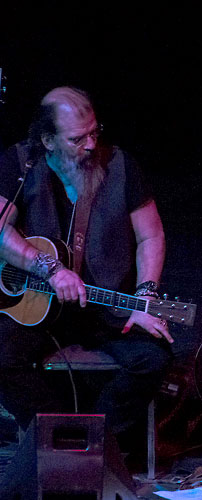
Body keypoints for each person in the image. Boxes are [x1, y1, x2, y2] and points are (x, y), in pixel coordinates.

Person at [0, 86, 172, 451]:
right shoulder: (20, 164)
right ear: (47, 140)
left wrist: (144, 298)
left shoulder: (120, 166)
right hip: (37, 305)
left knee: (152, 358)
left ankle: (95, 446)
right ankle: (58, 439)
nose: (91, 144)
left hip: (104, 307)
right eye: (78, 138)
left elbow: (151, 236)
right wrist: (49, 269)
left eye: (95, 132)